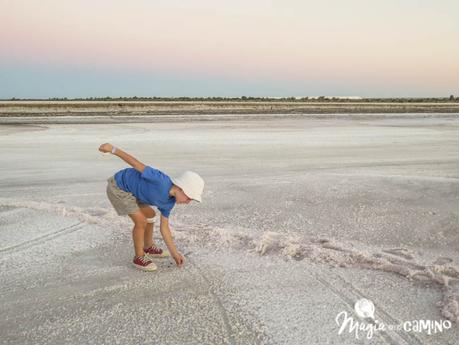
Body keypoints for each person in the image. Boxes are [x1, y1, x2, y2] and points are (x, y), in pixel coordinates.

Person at [98, 143, 204, 271]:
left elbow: (164, 229)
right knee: (141, 221)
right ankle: (139, 257)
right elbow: (136, 164)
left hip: (137, 194)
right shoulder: (160, 180)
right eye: (189, 198)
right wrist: (113, 149)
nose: (188, 202)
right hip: (119, 187)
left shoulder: (169, 203)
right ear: (181, 189)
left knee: (150, 215)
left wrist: (174, 253)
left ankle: (148, 247)